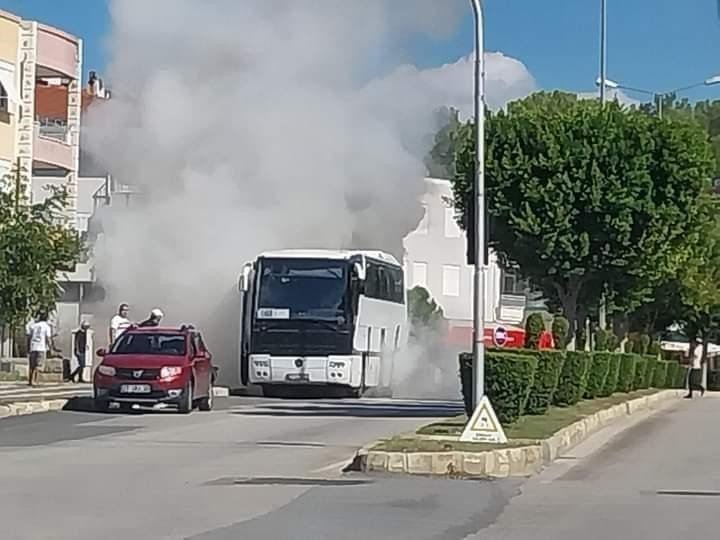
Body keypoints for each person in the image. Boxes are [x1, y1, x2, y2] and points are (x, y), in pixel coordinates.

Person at [27, 313, 53, 387]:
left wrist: (28, 347)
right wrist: (51, 348)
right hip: (41, 348)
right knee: (39, 366)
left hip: (33, 347)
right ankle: (35, 381)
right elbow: (48, 338)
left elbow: (29, 336)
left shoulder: (34, 326)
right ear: (46, 319)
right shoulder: (46, 326)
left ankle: (30, 380)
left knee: (32, 365)